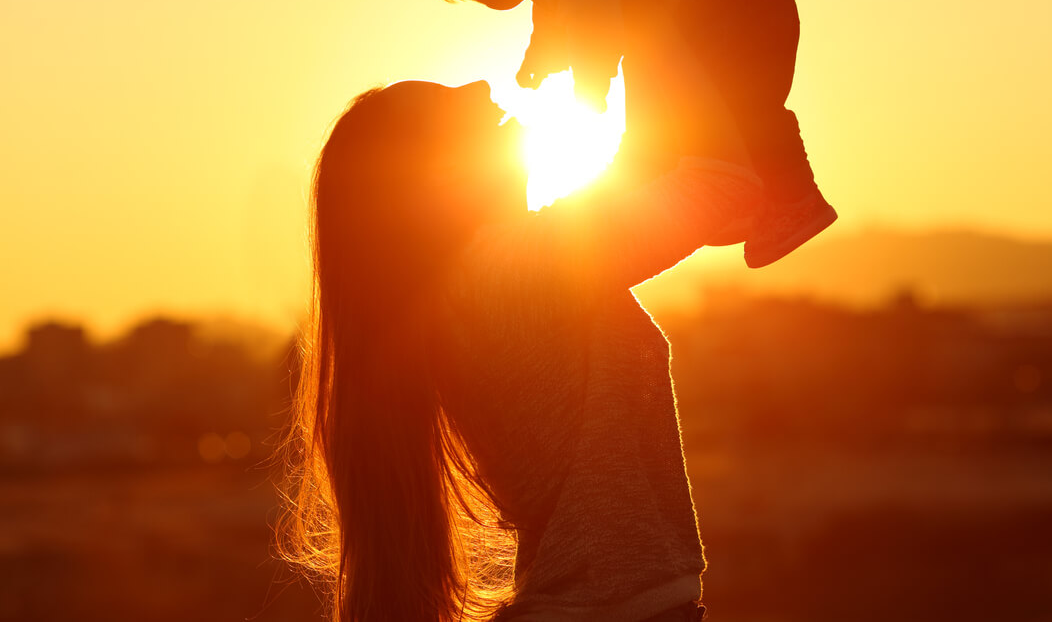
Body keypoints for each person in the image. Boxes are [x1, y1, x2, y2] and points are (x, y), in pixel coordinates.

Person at [280, 73, 762, 621]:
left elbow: (647, 174)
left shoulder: (489, 275)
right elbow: (722, 185)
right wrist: (669, 35)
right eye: (451, 103)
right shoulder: (511, 270)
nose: (483, 86)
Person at [410, 0, 836, 268]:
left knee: (738, 106)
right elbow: (559, 17)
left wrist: (590, 91)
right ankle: (721, 188)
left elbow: (594, 20)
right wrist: (538, 61)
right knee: (709, 108)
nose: (483, 0)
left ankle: (792, 200)